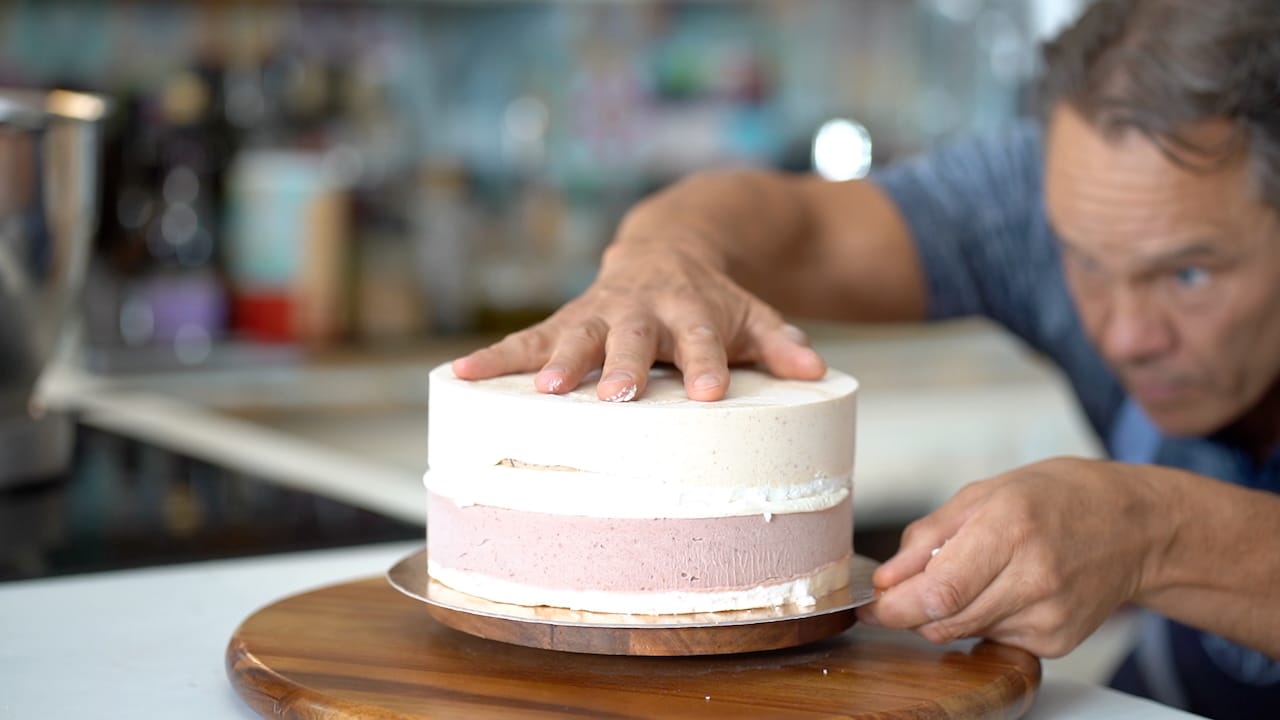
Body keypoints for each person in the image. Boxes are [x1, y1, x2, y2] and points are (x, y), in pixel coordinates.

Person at [452, 1, 1280, 715]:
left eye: (1191, 273)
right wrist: (663, 256)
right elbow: (802, 227)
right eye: (1086, 262)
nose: (1127, 332)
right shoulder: (1058, 192)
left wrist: (1154, 531)